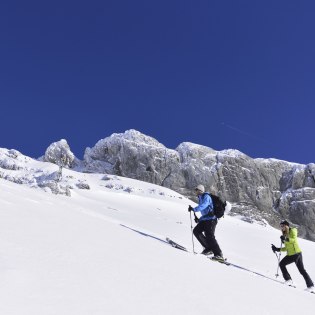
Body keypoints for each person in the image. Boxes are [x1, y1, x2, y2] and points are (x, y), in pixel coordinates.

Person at [271, 220, 314, 292]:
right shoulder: (284, 235)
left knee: (302, 270)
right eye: (281, 226)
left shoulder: (293, 231)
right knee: (281, 264)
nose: (281, 227)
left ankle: (311, 286)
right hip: (290, 255)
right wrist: (277, 249)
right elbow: (286, 248)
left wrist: (286, 239)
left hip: (297, 254)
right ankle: (288, 280)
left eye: (283, 226)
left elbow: (293, 240)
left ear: (287, 226)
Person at [188, 184, 224, 261]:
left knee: (210, 236)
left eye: (196, 190)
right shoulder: (201, 198)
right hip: (206, 219)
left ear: (200, 190)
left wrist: (194, 209)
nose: (195, 191)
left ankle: (218, 254)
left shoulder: (206, 196)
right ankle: (208, 248)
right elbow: (206, 212)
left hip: (211, 220)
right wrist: (199, 219)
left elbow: (204, 206)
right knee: (196, 231)